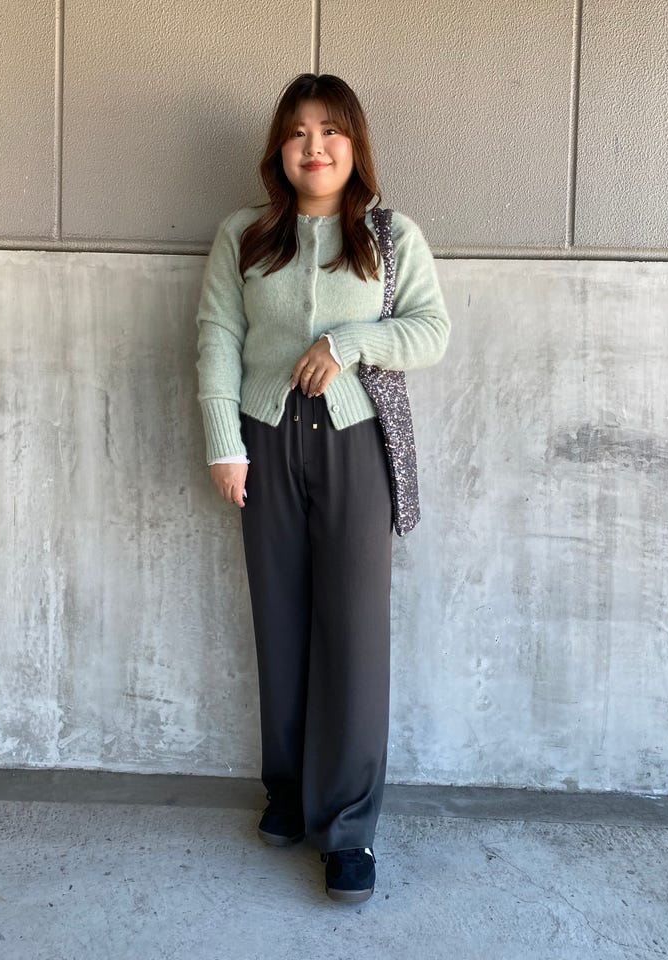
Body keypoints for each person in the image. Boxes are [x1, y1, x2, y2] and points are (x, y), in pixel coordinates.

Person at [196, 73, 450, 903]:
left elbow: (431, 331)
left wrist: (348, 341)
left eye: (331, 130)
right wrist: (224, 445)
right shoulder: (244, 233)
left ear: (354, 143)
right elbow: (217, 338)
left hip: (354, 446)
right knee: (279, 622)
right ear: (279, 146)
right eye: (299, 131)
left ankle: (348, 830)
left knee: (353, 634)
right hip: (264, 442)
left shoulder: (389, 234)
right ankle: (287, 791)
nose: (315, 146)